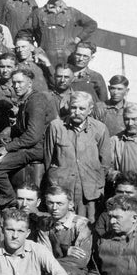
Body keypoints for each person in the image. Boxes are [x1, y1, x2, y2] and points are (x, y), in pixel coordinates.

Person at [0, 69, 54, 207]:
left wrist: (7, 148)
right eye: (14, 83)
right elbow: (23, 126)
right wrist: (9, 131)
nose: (16, 86)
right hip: (30, 146)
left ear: (30, 83)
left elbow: (33, 136)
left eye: (20, 82)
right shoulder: (26, 100)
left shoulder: (36, 101)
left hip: (36, 149)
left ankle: (9, 197)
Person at [44, 92, 110, 220]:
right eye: (74, 107)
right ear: (69, 107)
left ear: (90, 110)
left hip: (89, 193)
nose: (77, 112)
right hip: (62, 191)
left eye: (82, 108)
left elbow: (105, 163)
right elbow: (48, 158)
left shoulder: (100, 129)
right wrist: (54, 183)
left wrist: (97, 185)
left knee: (88, 228)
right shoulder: (56, 126)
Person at [21, 0, 98, 68]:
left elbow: (91, 24)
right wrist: (34, 49)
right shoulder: (38, 13)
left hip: (68, 57)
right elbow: (23, 34)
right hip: (45, 58)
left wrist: (78, 39)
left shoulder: (71, 12)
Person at [35, 185, 92, 275]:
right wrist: (66, 250)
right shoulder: (45, 224)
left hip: (75, 272)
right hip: (50, 271)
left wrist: (54, 257)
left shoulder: (81, 224)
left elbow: (80, 261)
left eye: (60, 203)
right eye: (50, 203)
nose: (54, 208)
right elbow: (43, 256)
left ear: (70, 204)